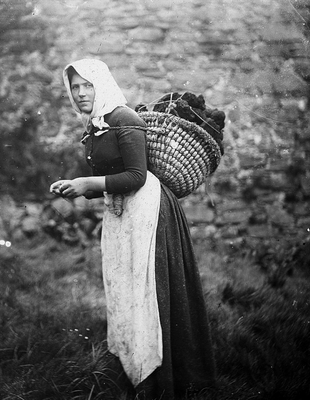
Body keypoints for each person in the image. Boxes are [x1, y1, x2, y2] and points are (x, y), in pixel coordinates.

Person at [50, 58, 216, 399]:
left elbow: (137, 177)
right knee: (127, 290)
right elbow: (112, 180)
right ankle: (135, 372)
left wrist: (88, 182)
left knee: (150, 292)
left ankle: (165, 378)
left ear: (103, 84)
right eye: (75, 87)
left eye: (87, 85)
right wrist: (77, 187)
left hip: (150, 213)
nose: (81, 93)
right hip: (123, 212)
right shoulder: (96, 124)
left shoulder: (123, 118)